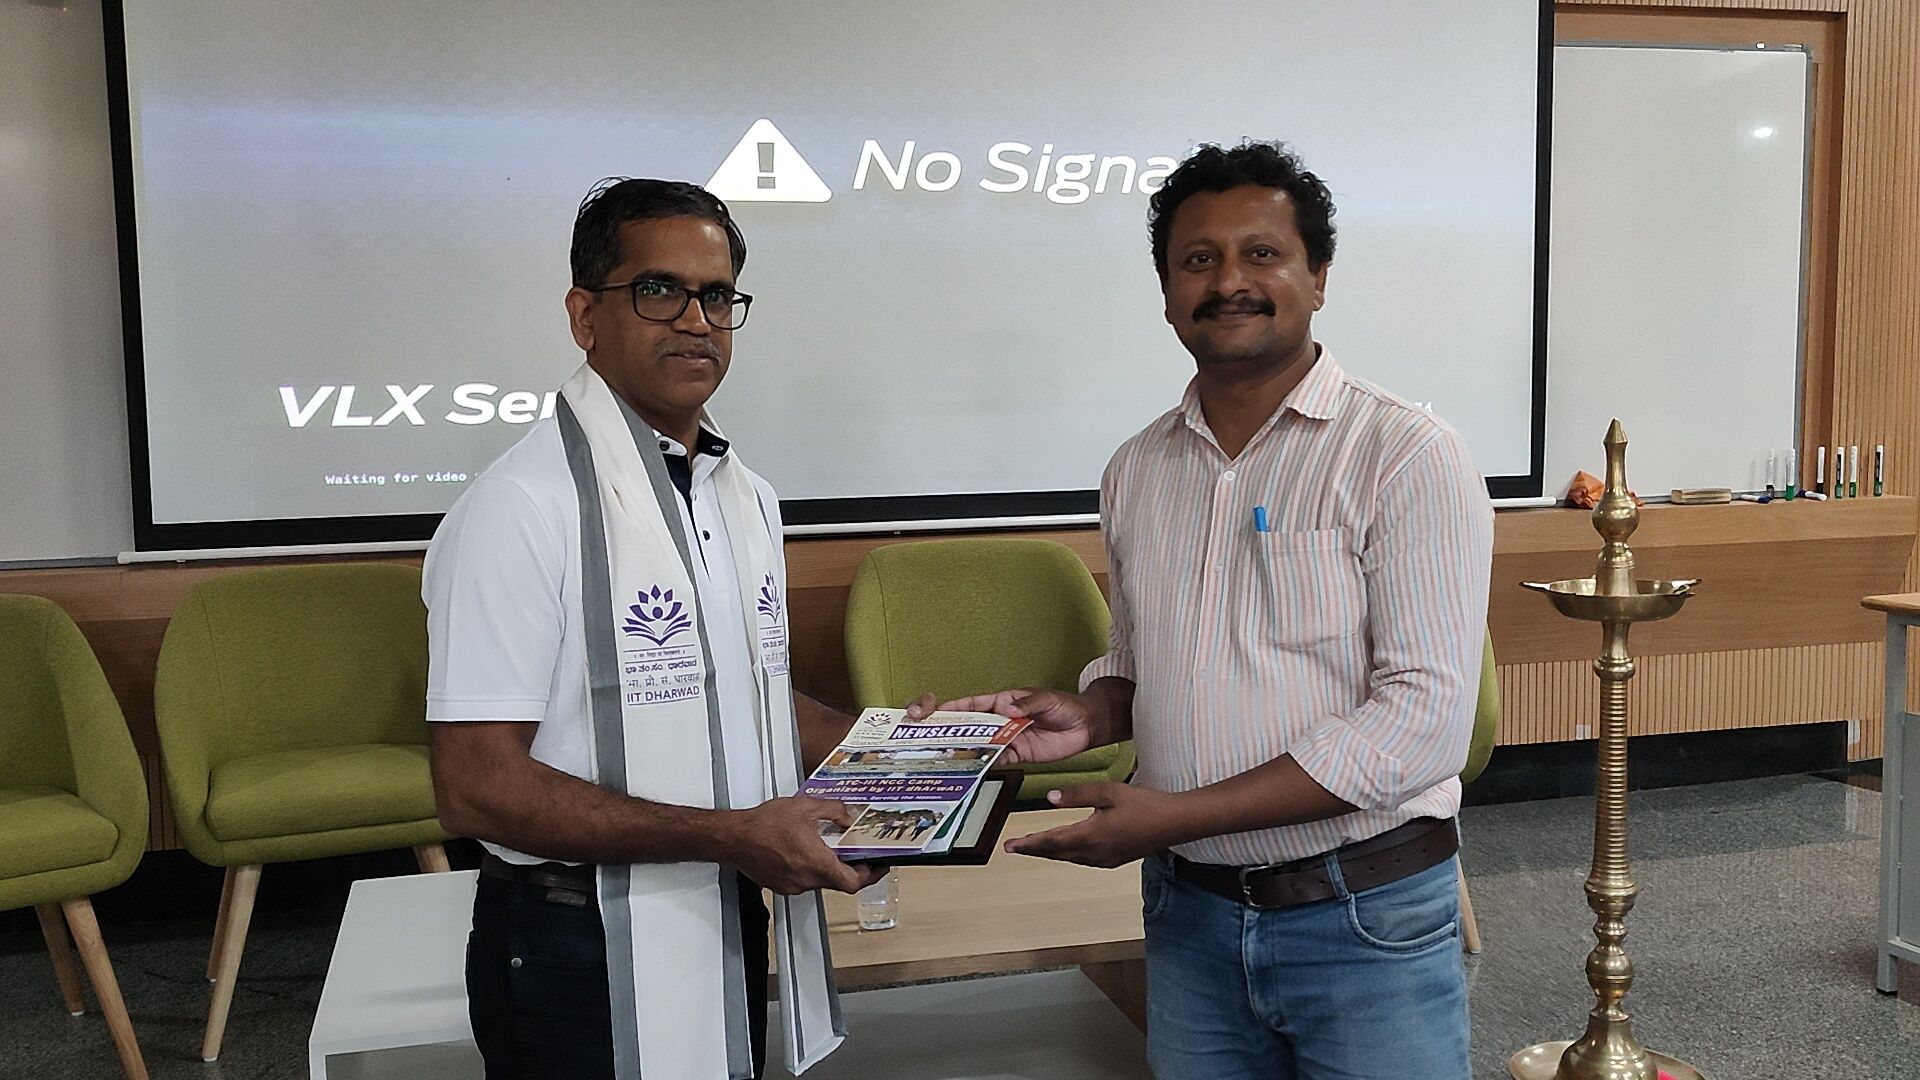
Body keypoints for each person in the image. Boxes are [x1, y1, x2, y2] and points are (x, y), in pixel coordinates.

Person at [927, 142, 1493, 1079]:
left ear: (1319, 276)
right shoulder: (1137, 468)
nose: (1229, 282)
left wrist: (1176, 815)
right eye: (1199, 260)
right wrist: (1093, 710)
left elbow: (1422, 724)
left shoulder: (1405, 454)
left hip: (1362, 915)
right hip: (1189, 916)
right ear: (1166, 291)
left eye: (1261, 254)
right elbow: (1142, 653)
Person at [423, 177, 880, 1080]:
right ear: (584, 315)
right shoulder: (521, 506)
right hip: (569, 940)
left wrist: (917, 752)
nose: (696, 321)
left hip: (721, 909)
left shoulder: (742, 496)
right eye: (659, 291)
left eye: (717, 297)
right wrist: (729, 834)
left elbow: (746, 694)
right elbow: (476, 787)